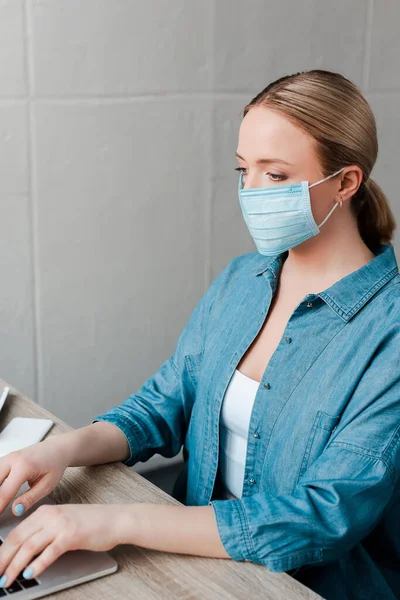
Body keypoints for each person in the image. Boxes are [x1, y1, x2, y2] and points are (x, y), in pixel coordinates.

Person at [0, 69, 398, 600]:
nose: (250, 192)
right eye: (243, 169)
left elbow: (322, 515)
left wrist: (113, 522)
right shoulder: (242, 279)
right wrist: (62, 450)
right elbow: (164, 405)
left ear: (346, 182)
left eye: (276, 176)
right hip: (193, 566)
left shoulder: (388, 331)